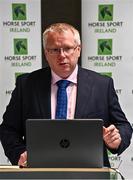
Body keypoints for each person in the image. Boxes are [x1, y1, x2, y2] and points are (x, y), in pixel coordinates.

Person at [0, 23, 132, 167]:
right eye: (55, 50)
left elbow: (123, 125)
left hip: (89, 172)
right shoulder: (26, 84)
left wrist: (116, 139)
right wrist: (20, 153)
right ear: (46, 53)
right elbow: (8, 129)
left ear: (78, 50)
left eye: (68, 48)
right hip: (38, 171)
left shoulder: (102, 85)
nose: (61, 55)